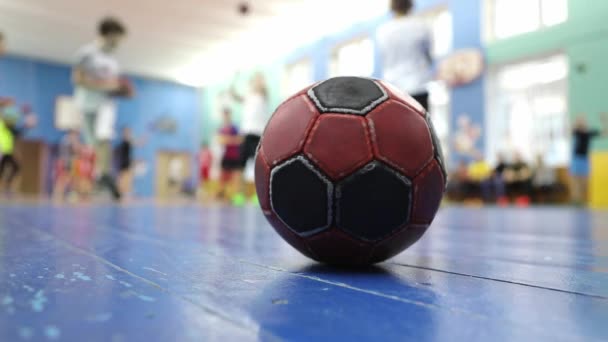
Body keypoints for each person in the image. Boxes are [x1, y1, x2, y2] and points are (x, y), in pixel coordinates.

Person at [72, 17, 130, 201]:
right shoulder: (86, 53)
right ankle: (98, 176)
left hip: (106, 104)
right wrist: (105, 86)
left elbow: (113, 86)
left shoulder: (113, 61)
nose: (119, 43)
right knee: (93, 142)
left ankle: (104, 175)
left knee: (104, 136)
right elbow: (78, 79)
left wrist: (122, 90)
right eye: (117, 38)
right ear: (108, 35)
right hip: (87, 103)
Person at [376, 0, 433, 110]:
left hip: (394, 90)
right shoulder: (421, 26)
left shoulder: (383, 31)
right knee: (421, 126)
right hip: (418, 86)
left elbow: (385, 59)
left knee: (397, 126)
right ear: (410, 5)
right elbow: (429, 58)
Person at [230, 73, 269, 205]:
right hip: (245, 135)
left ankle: (258, 196)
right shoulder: (248, 97)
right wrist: (233, 82)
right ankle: (239, 195)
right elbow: (234, 95)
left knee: (258, 167)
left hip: (258, 135)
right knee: (240, 167)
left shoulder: (263, 96)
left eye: (260, 80)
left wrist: (259, 81)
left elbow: (262, 87)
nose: (258, 82)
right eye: (256, 81)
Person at [570, 114, 608, 204]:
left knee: (585, 183)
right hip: (576, 159)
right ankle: (576, 201)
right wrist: (576, 122)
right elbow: (571, 129)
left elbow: (605, 132)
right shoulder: (577, 131)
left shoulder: (588, 133)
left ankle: (583, 201)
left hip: (584, 159)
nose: (582, 122)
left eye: (583, 120)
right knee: (576, 182)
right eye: (580, 121)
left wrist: (604, 121)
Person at [0, 103, 37, 194]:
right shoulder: (4, 125)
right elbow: (16, 131)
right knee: (11, 168)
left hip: (7, 152)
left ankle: (7, 185)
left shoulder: (8, 126)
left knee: (15, 168)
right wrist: (26, 124)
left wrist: (26, 123)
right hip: (3, 152)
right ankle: (6, 185)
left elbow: (17, 132)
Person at [216, 108, 243, 200]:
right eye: (224, 115)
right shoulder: (221, 128)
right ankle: (222, 195)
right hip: (225, 156)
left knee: (236, 177)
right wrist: (229, 139)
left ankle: (237, 196)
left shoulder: (234, 127)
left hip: (235, 156)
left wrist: (227, 139)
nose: (226, 116)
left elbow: (240, 140)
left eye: (227, 114)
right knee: (222, 177)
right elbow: (220, 140)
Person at [115, 127, 146, 198]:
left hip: (127, 164)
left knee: (128, 181)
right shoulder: (124, 143)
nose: (128, 133)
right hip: (122, 164)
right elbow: (138, 143)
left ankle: (127, 194)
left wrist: (144, 138)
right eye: (126, 132)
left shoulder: (129, 142)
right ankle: (122, 194)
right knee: (122, 181)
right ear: (123, 133)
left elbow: (139, 143)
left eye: (129, 132)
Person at [53, 129, 81, 201]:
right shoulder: (69, 141)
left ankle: (59, 196)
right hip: (67, 163)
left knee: (65, 180)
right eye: (76, 135)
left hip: (63, 162)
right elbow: (77, 149)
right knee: (64, 179)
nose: (77, 137)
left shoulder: (64, 140)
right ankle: (58, 196)